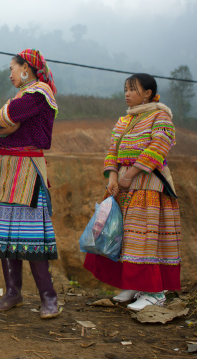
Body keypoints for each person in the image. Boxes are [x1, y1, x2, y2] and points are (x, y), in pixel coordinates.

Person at [84, 73, 181, 311]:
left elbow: (158, 147)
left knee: (145, 238)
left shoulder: (161, 117)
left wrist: (130, 175)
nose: (127, 93)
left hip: (148, 185)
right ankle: (134, 285)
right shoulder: (124, 121)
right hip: (125, 188)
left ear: (147, 93)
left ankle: (155, 292)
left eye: (132, 89)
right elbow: (112, 150)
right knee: (125, 237)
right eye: (125, 89)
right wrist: (114, 177)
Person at [0, 49, 60, 319]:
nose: (9, 73)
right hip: (6, 169)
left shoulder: (38, 94)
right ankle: (13, 292)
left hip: (25, 169)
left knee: (31, 236)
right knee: (7, 236)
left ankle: (49, 297)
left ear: (26, 68)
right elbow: (0, 126)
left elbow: (5, 119)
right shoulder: (25, 95)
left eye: (12, 67)